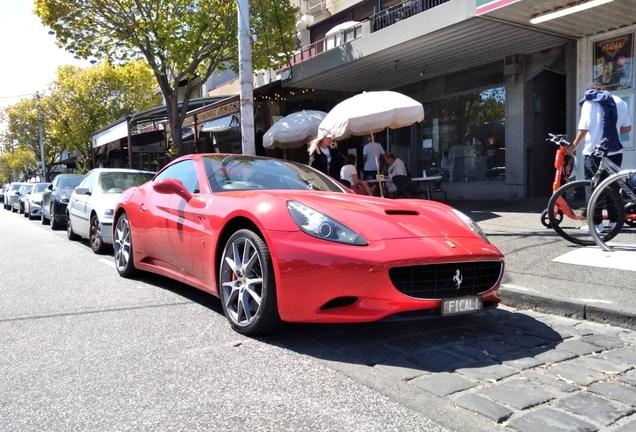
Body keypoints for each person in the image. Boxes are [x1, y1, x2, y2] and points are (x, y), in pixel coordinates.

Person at [567, 83, 632, 232]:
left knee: (594, 188)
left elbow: (584, 127)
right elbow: (627, 128)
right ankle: (615, 222)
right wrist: (610, 136)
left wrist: (573, 147)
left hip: (594, 153)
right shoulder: (619, 101)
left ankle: (596, 224)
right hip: (614, 152)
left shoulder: (590, 101)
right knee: (613, 187)